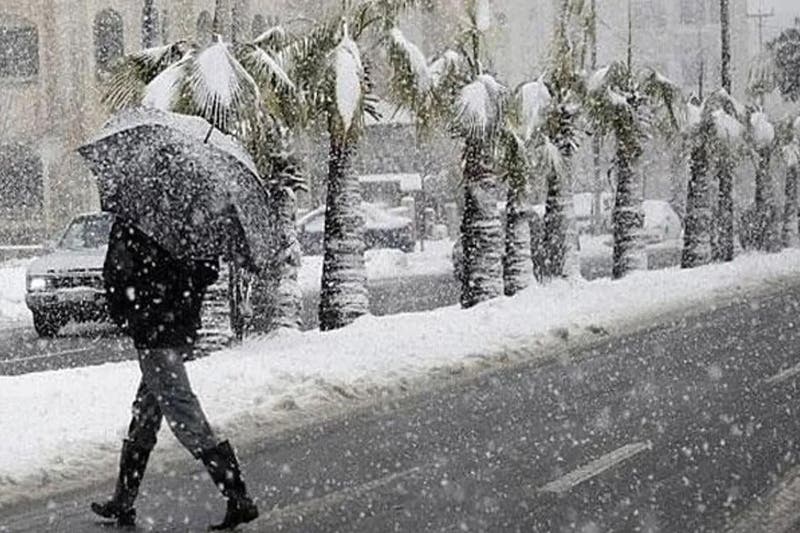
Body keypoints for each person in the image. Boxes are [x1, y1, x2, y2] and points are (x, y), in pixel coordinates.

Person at [91, 217, 259, 530]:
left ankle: (238, 496)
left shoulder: (134, 219)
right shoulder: (192, 214)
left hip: (156, 335)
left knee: (185, 415)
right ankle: (124, 501)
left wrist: (134, 313)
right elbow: (208, 271)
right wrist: (178, 283)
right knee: (146, 414)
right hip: (175, 329)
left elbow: (116, 274)